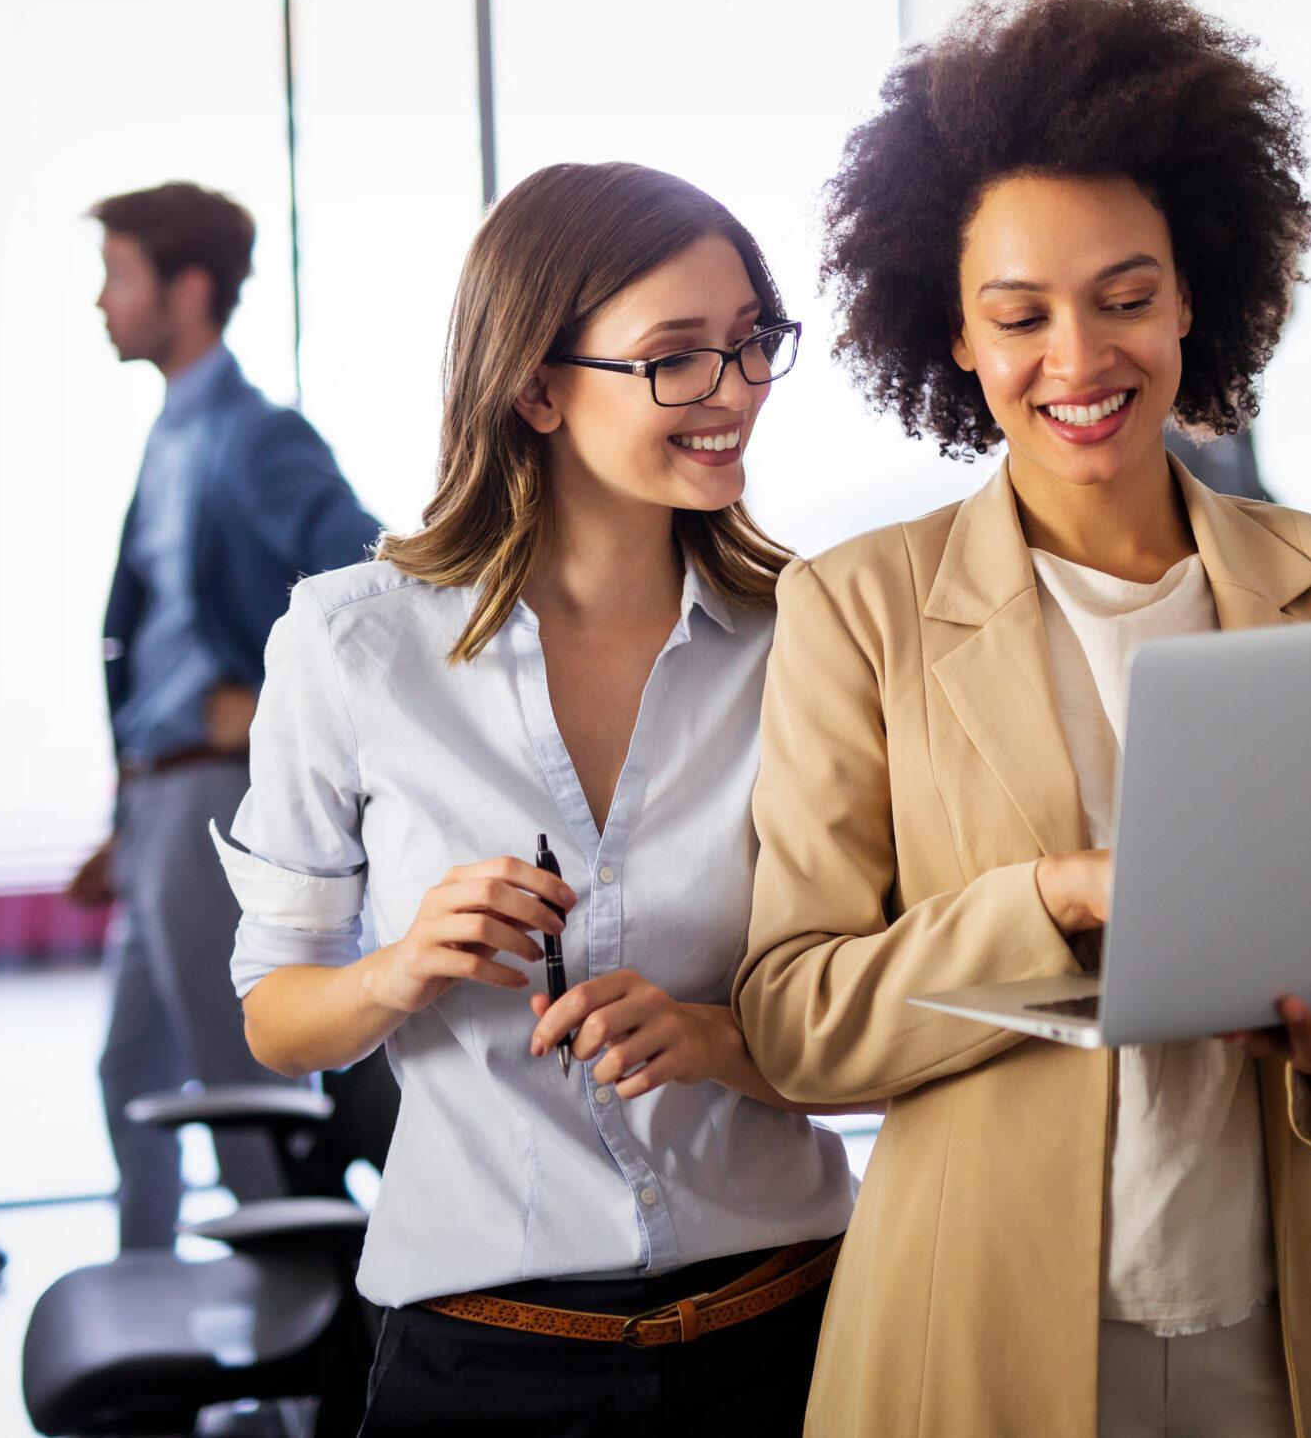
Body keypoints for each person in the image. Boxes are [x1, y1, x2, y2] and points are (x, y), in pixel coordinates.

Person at [733, 0, 1311, 1438]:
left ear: (1195, 291)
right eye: (1021, 315)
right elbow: (796, 1019)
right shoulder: (858, 609)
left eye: (1127, 297)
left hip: (1294, 1321)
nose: (1079, 359)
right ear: (952, 332)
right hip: (981, 1330)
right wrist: (1053, 898)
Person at [218, 162, 857, 1436]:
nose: (731, 393)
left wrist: (715, 1037)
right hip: (486, 1367)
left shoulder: (810, 639)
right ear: (535, 386)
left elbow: (885, 1014)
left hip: (794, 1336)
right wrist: (398, 971)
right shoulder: (350, 648)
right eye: (677, 357)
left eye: (749, 344)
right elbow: (278, 1019)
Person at [70, 181, 380, 1254]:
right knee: (131, 1069)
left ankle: (301, 1372)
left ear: (187, 290)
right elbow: (156, 642)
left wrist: (275, 704)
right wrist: (124, 818)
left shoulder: (251, 436)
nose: (101, 301)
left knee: (241, 1076)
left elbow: (369, 577)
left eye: (118, 276)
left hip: (211, 792)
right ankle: (148, 1306)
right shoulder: (172, 435)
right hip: (159, 799)